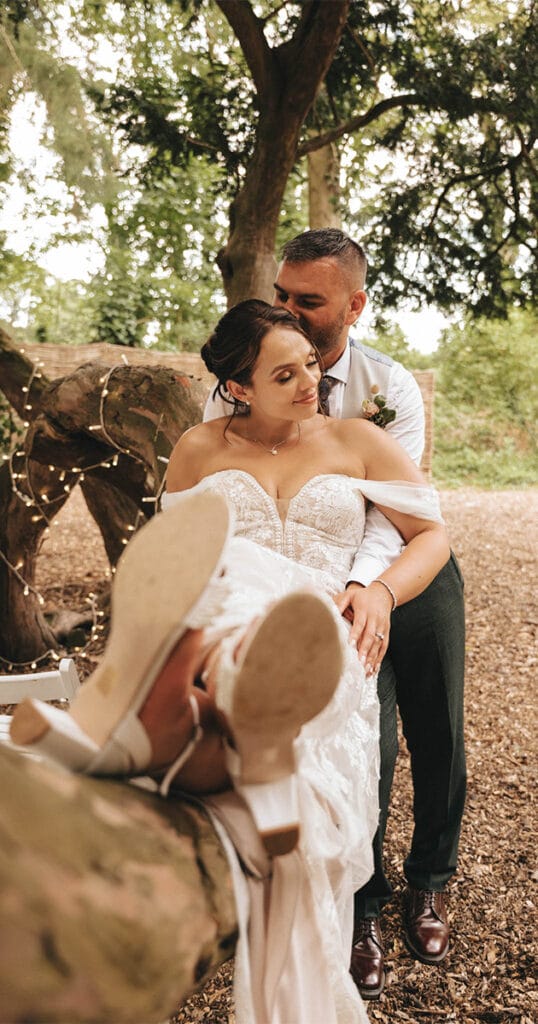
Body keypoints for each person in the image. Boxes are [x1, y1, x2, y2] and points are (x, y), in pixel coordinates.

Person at [12, 300, 450, 1024]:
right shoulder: (198, 449)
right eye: (287, 374)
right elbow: (177, 565)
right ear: (239, 387)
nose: (311, 381)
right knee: (234, 592)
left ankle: (153, 732)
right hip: (224, 618)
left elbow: (430, 536)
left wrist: (378, 591)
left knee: (295, 657)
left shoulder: (356, 440)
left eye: (311, 363)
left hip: (324, 637)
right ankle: (208, 719)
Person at [204, 230, 467, 999]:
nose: (287, 307)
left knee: (439, 729)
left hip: (405, 572)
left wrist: (371, 591)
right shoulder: (239, 382)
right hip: (327, 588)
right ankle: (364, 909)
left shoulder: (391, 389)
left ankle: (432, 879)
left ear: (352, 306)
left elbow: (397, 516)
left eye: (306, 301)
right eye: (282, 293)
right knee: (367, 741)